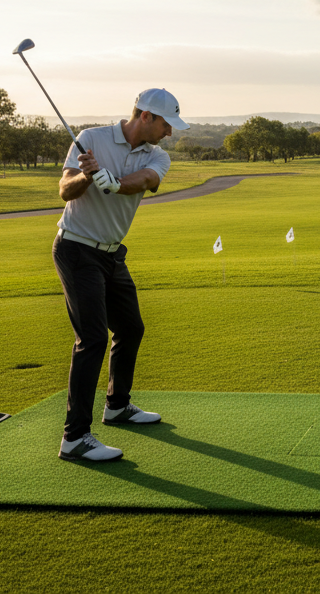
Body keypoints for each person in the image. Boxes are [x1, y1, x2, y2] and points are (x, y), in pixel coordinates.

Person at [53, 88, 189, 462]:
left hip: (112, 255)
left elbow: (145, 180)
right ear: (145, 116)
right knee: (92, 339)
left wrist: (112, 181)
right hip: (77, 249)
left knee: (131, 328)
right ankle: (74, 438)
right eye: (166, 124)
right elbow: (65, 190)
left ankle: (116, 405)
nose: (170, 133)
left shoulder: (157, 156)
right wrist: (87, 175)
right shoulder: (90, 139)